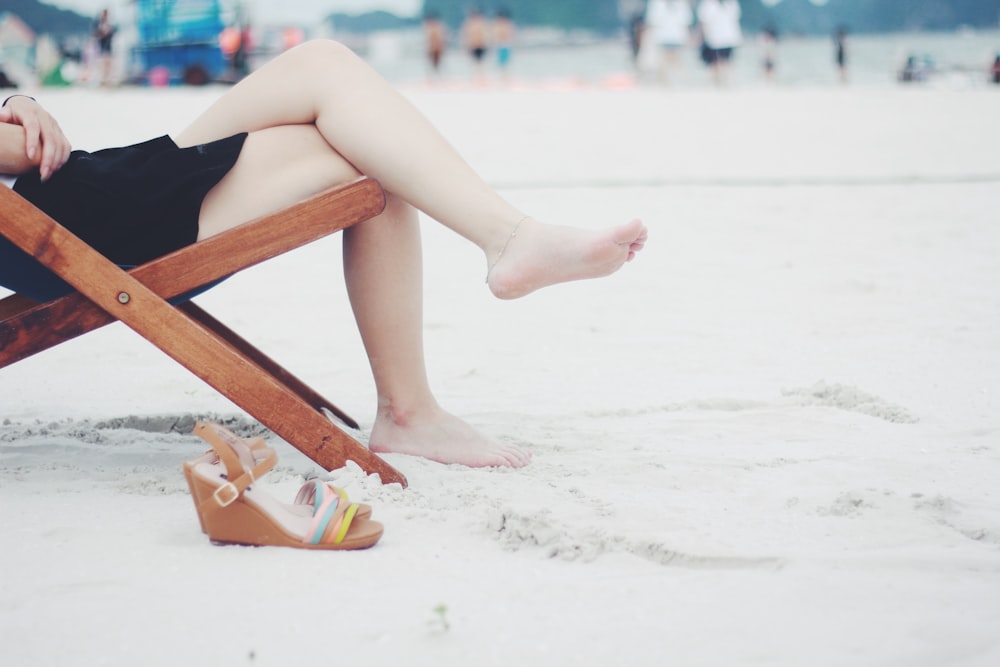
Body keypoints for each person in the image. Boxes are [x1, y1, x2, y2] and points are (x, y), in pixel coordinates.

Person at [0, 41, 648, 470]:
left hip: (91, 195)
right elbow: (24, 154)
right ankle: (418, 397)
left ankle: (497, 261)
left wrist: (16, 101)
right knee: (367, 149)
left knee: (327, 70)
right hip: (79, 224)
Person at [644, 0, 693, 85]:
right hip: (662, 36)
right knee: (664, 61)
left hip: (677, 36)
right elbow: (651, 21)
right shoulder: (657, 3)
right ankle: (665, 84)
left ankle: (680, 83)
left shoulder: (681, 3)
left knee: (676, 60)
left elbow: (686, 22)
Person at [697, 0, 742, 85]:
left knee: (727, 62)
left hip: (729, 38)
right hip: (713, 39)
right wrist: (700, 37)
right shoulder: (708, 4)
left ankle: (727, 83)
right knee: (714, 63)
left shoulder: (731, 3)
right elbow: (702, 22)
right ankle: (717, 83)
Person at [462, 8, 489, 82]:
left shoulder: (482, 23)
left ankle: (480, 77)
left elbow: (486, 34)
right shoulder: (470, 24)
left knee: (480, 62)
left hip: (481, 45)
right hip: (473, 45)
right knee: (474, 62)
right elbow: (467, 35)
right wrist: (467, 45)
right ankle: (475, 77)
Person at [92, 8, 116, 86]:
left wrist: (108, 32)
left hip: (108, 47)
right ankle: (102, 81)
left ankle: (107, 81)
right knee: (102, 64)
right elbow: (95, 35)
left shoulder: (109, 24)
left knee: (108, 64)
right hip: (101, 47)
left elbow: (112, 35)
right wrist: (102, 32)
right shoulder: (98, 24)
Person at [423, 11, 447, 78]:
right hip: (433, 48)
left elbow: (440, 38)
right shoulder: (432, 27)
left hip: (435, 48)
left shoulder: (435, 28)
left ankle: (437, 76)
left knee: (437, 63)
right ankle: (434, 76)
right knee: (433, 64)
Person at [494, 8, 515, 82]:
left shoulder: (507, 24)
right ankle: (502, 76)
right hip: (500, 45)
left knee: (505, 62)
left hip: (506, 45)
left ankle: (505, 76)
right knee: (501, 62)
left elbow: (511, 34)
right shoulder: (498, 25)